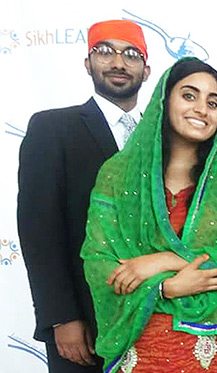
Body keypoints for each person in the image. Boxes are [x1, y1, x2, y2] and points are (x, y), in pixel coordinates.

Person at [80, 58, 217, 373]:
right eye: (189, 95)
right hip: (139, 348)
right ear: (164, 101)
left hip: (213, 354)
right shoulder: (118, 175)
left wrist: (164, 260)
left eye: (212, 102)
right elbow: (99, 264)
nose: (201, 109)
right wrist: (167, 289)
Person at [18, 19, 150, 372]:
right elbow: (39, 231)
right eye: (105, 51)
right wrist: (62, 318)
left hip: (155, 317)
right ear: (88, 63)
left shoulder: (162, 137)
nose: (119, 63)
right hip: (84, 322)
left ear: (147, 70)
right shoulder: (52, 129)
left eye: (131, 54)